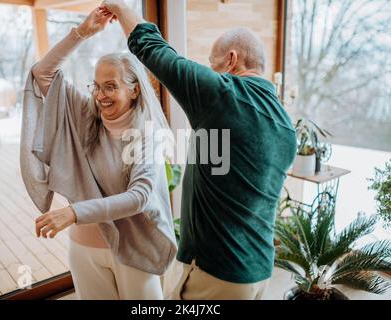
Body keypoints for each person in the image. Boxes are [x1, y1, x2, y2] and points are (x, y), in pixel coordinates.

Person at [101, 0, 297, 300]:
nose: (211, 70)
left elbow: (153, 49)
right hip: (258, 273)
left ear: (232, 59)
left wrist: (121, 8)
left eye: (212, 62)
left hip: (218, 275)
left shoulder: (223, 94)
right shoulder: (285, 125)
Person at [21, 7, 177, 300]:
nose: (101, 95)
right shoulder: (85, 115)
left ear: (133, 91)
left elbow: (140, 196)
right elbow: (42, 74)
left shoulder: (147, 135)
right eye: (97, 86)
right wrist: (83, 32)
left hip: (134, 248)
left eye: (110, 87)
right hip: (85, 248)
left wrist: (73, 212)